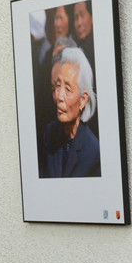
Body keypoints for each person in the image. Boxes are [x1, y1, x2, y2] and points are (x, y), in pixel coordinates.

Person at [39, 47, 100, 178]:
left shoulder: (93, 152)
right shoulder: (48, 135)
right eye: (58, 86)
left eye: (67, 89)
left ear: (83, 100)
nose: (59, 96)